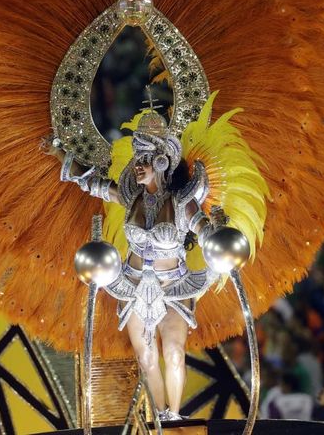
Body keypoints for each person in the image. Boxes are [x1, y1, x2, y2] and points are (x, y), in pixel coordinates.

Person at [55, 109, 217, 420]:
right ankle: (159, 417)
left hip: (174, 286)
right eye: (137, 159)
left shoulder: (183, 202)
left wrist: (217, 237)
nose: (137, 166)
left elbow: (205, 230)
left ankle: (174, 417)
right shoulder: (131, 199)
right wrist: (58, 152)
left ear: (161, 162)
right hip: (131, 285)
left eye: (144, 159)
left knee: (173, 353)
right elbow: (92, 183)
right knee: (146, 357)